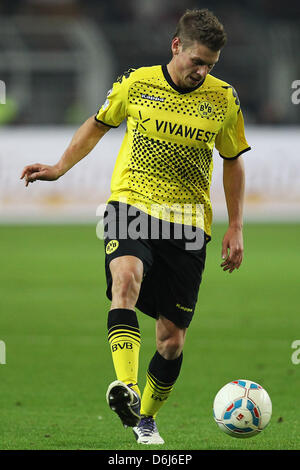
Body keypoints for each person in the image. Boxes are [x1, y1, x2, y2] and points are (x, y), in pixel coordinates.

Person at [21, 8, 250, 445]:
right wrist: (58, 168)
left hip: (187, 223)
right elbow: (97, 124)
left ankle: (145, 418)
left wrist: (235, 224)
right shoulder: (137, 82)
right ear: (176, 46)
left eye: (210, 66)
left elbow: (233, 160)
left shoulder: (223, 99)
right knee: (125, 277)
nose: (202, 72)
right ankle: (125, 385)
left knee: (171, 340)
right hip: (132, 203)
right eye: (196, 62)